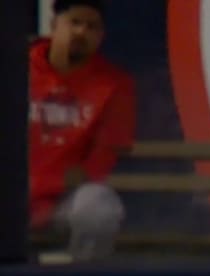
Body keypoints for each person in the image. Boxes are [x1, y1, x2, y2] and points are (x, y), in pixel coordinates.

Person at [29, 0, 136, 262]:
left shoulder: (115, 84)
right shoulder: (13, 69)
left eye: (91, 27)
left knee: (98, 206)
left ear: (100, 37)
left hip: (63, 203)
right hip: (10, 199)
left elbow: (104, 156)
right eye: (74, 22)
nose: (81, 32)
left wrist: (48, 198)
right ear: (54, 26)